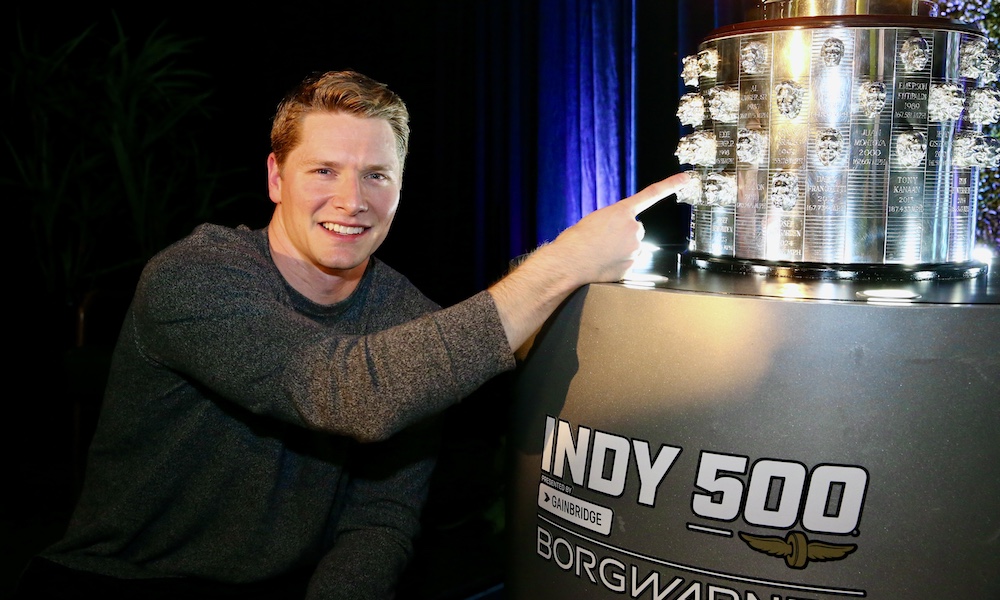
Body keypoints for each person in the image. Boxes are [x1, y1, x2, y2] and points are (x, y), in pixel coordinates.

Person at [14, 70, 689, 599]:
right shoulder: (195, 275)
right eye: (324, 171)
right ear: (276, 177)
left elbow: (382, 516)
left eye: (376, 176)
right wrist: (563, 264)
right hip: (118, 583)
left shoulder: (410, 321)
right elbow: (343, 390)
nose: (352, 201)